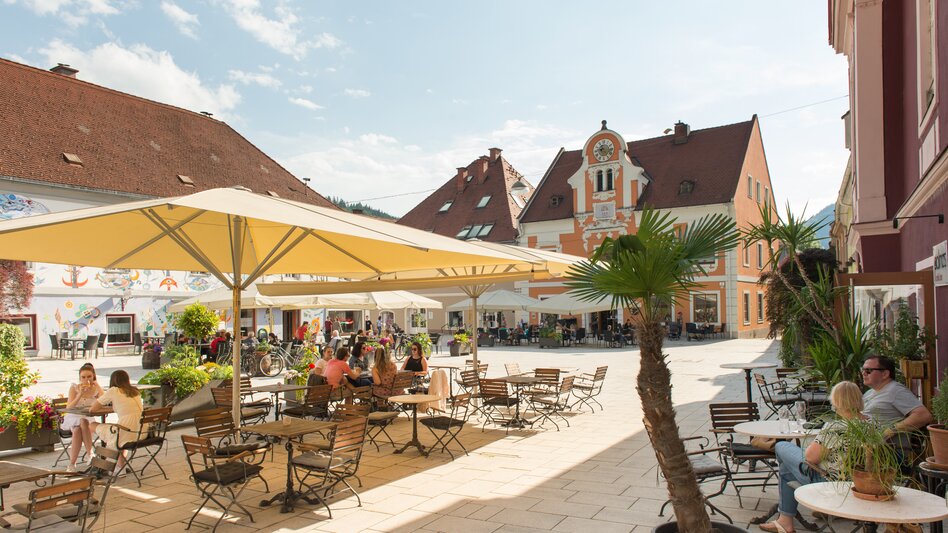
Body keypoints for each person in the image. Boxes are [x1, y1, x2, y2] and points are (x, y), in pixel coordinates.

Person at [760, 381, 866, 533]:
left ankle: (785, 521)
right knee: (788, 468)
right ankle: (784, 521)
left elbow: (810, 458)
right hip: (860, 484)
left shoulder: (835, 428)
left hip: (829, 483)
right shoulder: (872, 424)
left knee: (781, 447)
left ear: (835, 401)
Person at [861, 355, 933, 452]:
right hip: (869, 449)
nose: (863, 373)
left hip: (890, 454)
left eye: (868, 370)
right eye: (863, 369)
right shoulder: (869, 393)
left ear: (885, 374)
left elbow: (923, 415)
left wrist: (890, 430)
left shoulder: (896, 391)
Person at [89, 370, 145, 473]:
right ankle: (120, 466)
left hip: (126, 431)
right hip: (140, 431)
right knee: (116, 434)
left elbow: (92, 409)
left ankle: (102, 463)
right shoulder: (135, 391)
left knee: (92, 425)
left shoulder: (114, 391)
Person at [62, 363, 104, 472]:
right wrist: (79, 394)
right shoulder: (75, 387)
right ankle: (90, 454)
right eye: (83, 377)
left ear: (93, 376)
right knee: (81, 422)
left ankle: (72, 464)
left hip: (88, 418)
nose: (86, 379)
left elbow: (105, 400)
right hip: (73, 417)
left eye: (89, 376)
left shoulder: (95, 389)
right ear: (80, 378)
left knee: (78, 429)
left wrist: (98, 386)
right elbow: (69, 407)